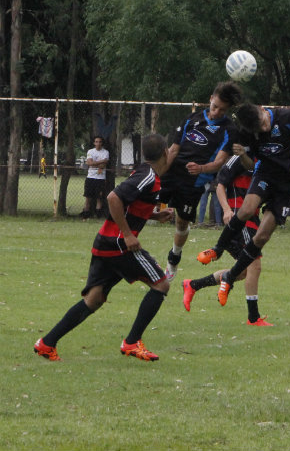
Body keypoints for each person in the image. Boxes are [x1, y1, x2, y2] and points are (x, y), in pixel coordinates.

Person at [34, 134, 175, 362]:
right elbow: (113, 198)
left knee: (94, 299)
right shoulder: (148, 176)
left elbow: (131, 205)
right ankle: (131, 342)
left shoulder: (146, 174)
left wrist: (156, 216)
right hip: (119, 245)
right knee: (161, 284)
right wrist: (128, 235)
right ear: (165, 153)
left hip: (106, 242)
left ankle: (46, 343)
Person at [196, 102, 290, 305]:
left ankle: (230, 275)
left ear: (263, 110)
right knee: (246, 210)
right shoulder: (249, 133)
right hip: (264, 176)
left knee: (261, 237)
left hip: (286, 185)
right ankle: (217, 249)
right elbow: (251, 165)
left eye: (263, 123)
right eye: (258, 129)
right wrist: (242, 153)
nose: (263, 129)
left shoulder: (286, 116)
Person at [160, 81, 242, 281]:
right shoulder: (192, 118)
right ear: (210, 99)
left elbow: (219, 162)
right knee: (144, 202)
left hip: (195, 182)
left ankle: (174, 258)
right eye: (215, 107)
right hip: (173, 172)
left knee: (181, 221)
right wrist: (158, 173)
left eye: (222, 110)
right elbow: (173, 149)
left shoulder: (229, 130)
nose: (216, 112)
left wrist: (201, 169)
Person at [182, 154, 272, 326]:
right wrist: (226, 210)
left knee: (244, 272)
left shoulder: (265, 160)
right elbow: (220, 185)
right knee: (254, 264)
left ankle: (193, 285)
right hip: (239, 219)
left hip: (252, 220)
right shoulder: (240, 158)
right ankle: (253, 317)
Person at [80, 136, 109, 220]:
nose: (98, 143)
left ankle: (98, 216)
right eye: (96, 142)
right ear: (94, 143)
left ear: (102, 143)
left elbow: (104, 165)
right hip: (90, 177)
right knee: (88, 198)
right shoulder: (90, 151)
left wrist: (94, 163)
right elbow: (89, 163)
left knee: (99, 198)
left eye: (100, 142)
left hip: (100, 178)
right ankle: (85, 215)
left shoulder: (105, 152)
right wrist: (100, 161)